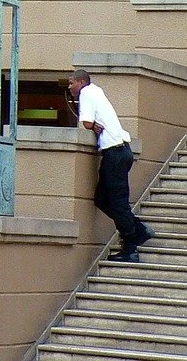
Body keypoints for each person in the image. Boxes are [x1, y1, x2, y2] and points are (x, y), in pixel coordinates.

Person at [68, 69, 154, 263]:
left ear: (81, 82)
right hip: (120, 151)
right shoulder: (97, 91)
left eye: (71, 82)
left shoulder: (87, 93)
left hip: (114, 152)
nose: (69, 86)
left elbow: (87, 123)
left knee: (117, 201)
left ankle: (130, 247)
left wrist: (92, 125)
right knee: (102, 199)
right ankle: (138, 229)